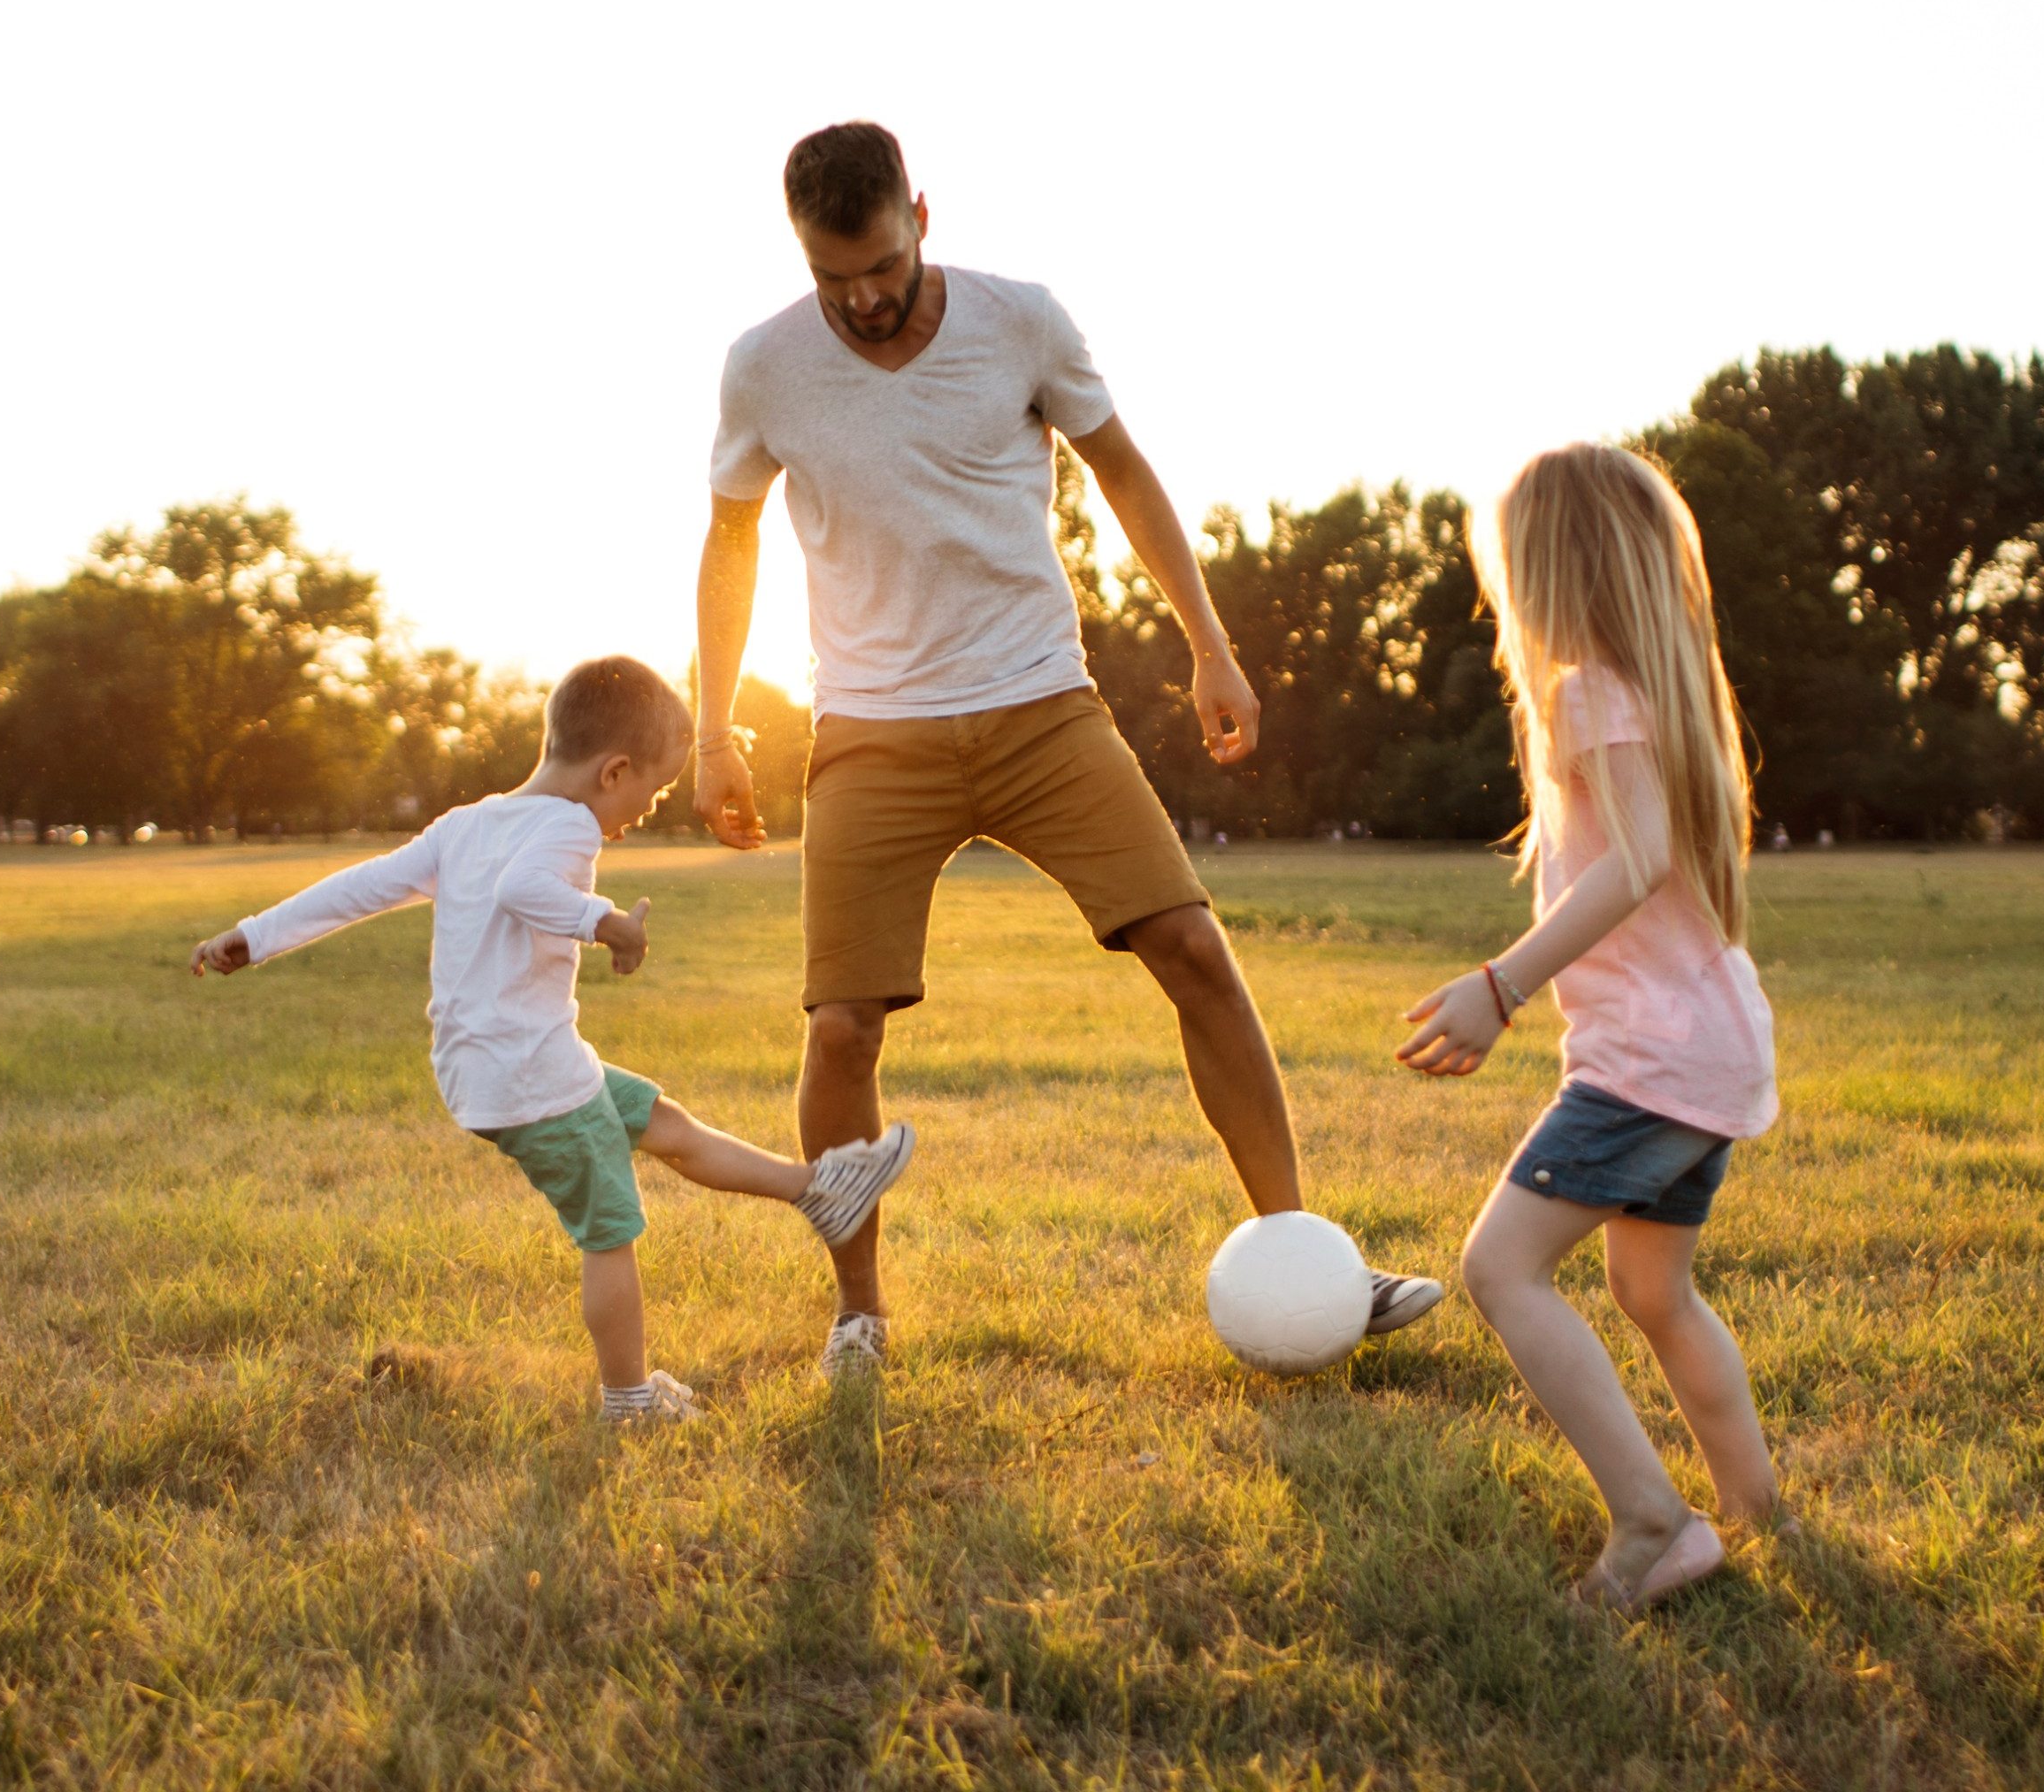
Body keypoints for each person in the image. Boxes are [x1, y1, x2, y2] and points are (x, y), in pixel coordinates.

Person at [694, 120, 1443, 1378]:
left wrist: (1209, 642)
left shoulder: (1022, 321)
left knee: (1195, 949)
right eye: (837, 281)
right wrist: (710, 723)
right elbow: (730, 541)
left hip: (1043, 703)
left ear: (921, 213)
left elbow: (1126, 474)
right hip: (873, 732)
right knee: (840, 1031)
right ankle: (859, 1310)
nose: (866, 299)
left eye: (880, 264)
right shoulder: (764, 366)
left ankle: (1310, 1255)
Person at [189, 655, 917, 1424]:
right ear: (614, 771)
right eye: (654, 789)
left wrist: (256, 935)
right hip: (531, 1076)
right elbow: (524, 891)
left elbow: (365, 886)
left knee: (659, 1120)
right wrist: (605, 922)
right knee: (610, 1228)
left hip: (498, 1068)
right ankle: (629, 1399)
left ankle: (819, 1192)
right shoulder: (569, 824)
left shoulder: (466, 824)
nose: (647, 807)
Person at [1395, 442, 1787, 1612]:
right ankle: (1760, 1512)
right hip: (1708, 1050)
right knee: (1655, 1294)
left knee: (1499, 1267)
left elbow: (1634, 864)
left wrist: (1500, 987)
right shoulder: (1656, 693)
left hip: (1652, 1063)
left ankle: (1657, 1526)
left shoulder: (1589, 694)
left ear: (1548, 575)